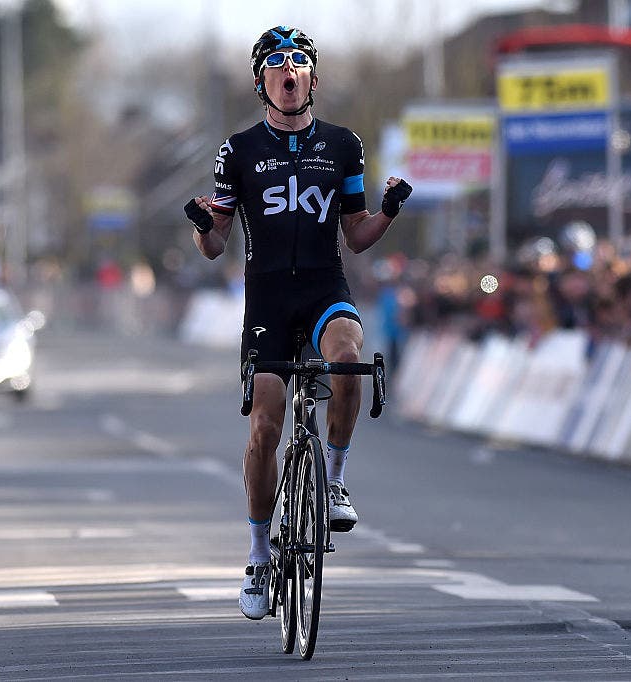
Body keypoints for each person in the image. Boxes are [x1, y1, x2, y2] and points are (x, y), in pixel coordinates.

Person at [183, 26, 412, 620]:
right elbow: (216, 245)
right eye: (278, 65)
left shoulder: (343, 145)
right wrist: (202, 225)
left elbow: (356, 236)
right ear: (261, 80)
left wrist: (387, 210)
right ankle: (259, 552)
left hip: (322, 288)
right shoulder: (236, 151)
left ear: (312, 77)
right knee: (266, 422)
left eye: (300, 64)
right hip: (266, 302)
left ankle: (333, 480)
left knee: (346, 359)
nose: (290, 73)